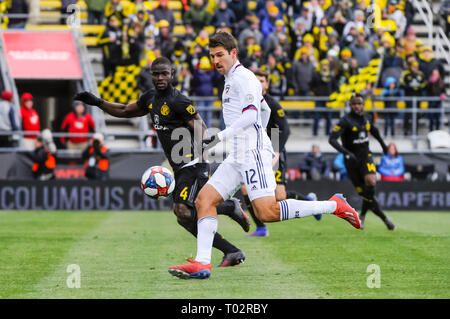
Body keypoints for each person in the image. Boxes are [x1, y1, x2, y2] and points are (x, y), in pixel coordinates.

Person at [168, 32, 361, 280]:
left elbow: (250, 115)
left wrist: (224, 137)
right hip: (238, 154)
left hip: (252, 153)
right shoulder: (230, 80)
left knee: (267, 212)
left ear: (233, 53)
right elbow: (264, 109)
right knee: (204, 200)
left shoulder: (244, 78)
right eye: (212, 56)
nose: (215, 60)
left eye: (220, 55)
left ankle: (334, 205)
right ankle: (202, 263)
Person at [74, 56, 250, 268]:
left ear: (172, 75)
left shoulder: (179, 101)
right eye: (156, 74)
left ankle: (230, 210)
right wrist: (98, 102)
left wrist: (202, 147)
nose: (160, 77)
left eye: (164, 73)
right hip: (179, 167)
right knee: (184, 216)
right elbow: (124, 110)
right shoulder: (150, 99)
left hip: (193, 163)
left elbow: (199, 124)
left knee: (183, 210)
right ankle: (231, 245)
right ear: (151, 75)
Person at [243, 68, 321, 238]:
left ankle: (309, 202)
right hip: (254, 154)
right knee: (245, 188)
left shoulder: (272, 104)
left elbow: (284, 130)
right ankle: (261, 228)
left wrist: (276, 152)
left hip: (273, 153)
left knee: (280, 195)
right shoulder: (247, 103)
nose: (259, 84)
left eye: (262, 81)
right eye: (256, 80)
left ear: (267, 84)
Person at [329, 93, 396, 231]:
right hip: (351, 161)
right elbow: (332, 139)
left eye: (359, 103)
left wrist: (383, 145)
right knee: (366, 194)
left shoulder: (367, 117)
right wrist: (346, 153)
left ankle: (375, 218)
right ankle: (374, 217)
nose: (357, 106)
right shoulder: (345, 121)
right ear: (350, 105)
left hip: (365, 156)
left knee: (371, 181)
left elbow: (374, 130)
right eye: (354, 104)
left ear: (363, 105)